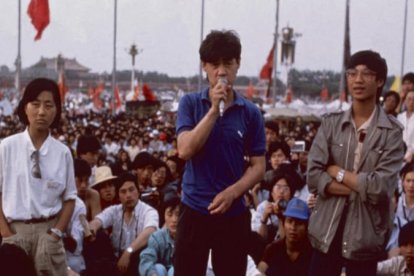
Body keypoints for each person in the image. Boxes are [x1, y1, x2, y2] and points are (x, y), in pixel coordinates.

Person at [174, 30, 266, 275]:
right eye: (215, 64)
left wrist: (232, 193)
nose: (222, 71)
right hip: (194, 208)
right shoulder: (190, 104)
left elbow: (259, 166)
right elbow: (185, 150)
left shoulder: (251, 113)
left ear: (238, 64)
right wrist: (214, 110)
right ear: (205, 66)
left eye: (228, 63)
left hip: (233, 212)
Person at [307, 50, 404, 276]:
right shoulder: (331, 124)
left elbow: (380, 188)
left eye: (366, 74)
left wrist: (336, 172)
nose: (358, 80)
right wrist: (359, 189)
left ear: (379, 80)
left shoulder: (392, 132)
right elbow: (313, 175)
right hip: (327, 229)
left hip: (366, 234)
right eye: (352, 73)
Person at [0, 78, 77, 275]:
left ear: (56, 110)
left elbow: (69, 198)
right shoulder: (6, 147)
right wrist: (6, 233)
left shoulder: (63, 153)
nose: (41, 111)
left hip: (49, 233)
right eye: (35, 104)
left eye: (48, 105)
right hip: (15, 233)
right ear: (25, 108)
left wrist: (56, 232)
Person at [89, 172, 159, 276]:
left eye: (131, 190)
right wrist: (92, 228)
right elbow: (99, 219)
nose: (128, 195)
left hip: (137, 260)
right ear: (118, 195)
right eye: (123, 192)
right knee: (99, 237)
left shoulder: (148, 211)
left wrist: (128, 252)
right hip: (116, 261)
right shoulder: (114, 210)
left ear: (138, 191)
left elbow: (151, 230)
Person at [257, 198, 312, 276]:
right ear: (283, 224)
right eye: (289, 221)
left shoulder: (313, 252)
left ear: (306, 226)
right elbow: (259, 271)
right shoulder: (273, 249)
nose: (293, 227)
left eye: (299, 223)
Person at [139, 195, 180, 276]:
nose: (174, 220)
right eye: (169, 215)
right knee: (158, 268)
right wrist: (152, 273)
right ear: (164, 216)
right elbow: (147, 257)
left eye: (178, 215)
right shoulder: (157, 237)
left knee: (173, 270)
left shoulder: (189, 237)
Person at [398, 90, 414, 163]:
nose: (411, 102)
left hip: (411, 157)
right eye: (409, 99)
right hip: (398, 155)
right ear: (405, 101)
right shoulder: (399, 117)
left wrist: (411, 154)